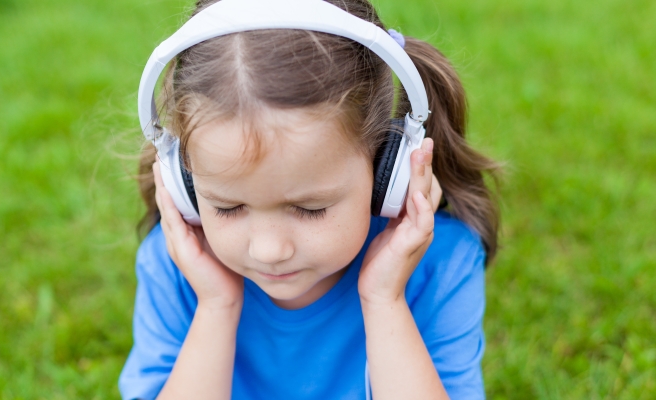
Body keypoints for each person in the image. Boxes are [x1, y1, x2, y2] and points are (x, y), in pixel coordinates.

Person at [119, 0, 500, 399]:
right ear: (183, 185)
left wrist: (384, 299)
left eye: (309, 208)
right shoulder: (175, 263)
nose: (269, 250)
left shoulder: (442, 261)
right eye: (228, 207)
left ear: (388, 173)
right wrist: (217, 306)